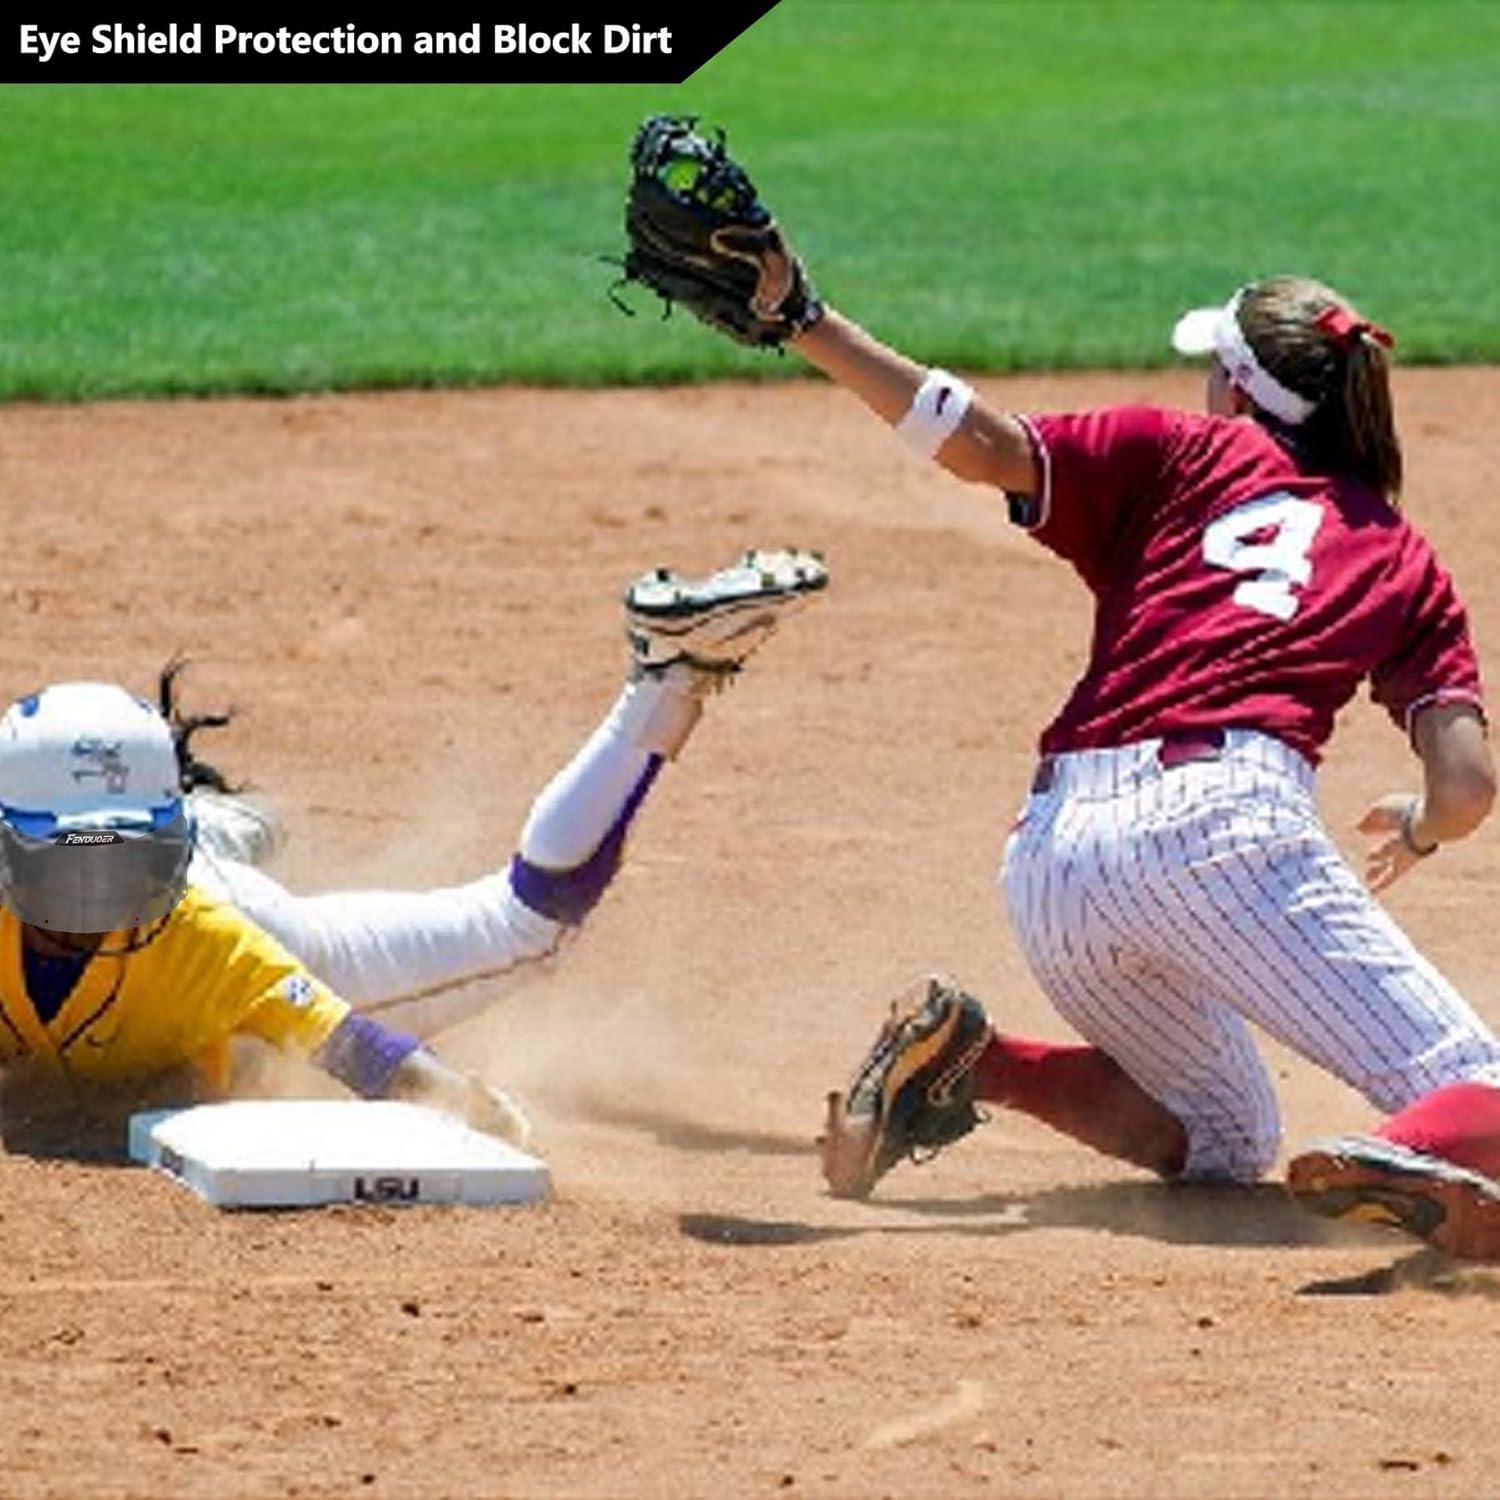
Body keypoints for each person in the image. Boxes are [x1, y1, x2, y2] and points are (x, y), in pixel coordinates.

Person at [739, 262, 1500, 1257]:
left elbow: (977, 443)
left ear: (1237, 388)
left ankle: (974, 1061)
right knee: (1471, 1079)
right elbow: (1467, 788)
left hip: (1053, 865)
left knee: (1227, 1140)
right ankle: (1392, 1153)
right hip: (1223, 835)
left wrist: (806, 319)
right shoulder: (1400, 557)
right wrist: (1416, 829)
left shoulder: (1182, 450)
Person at [0, 548, 827, 1152]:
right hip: (191, 860)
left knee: (521, 928)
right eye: (71, 872)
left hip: (243, 908)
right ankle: (223, 820)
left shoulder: (210, 943)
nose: (94, 908)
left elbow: (361, 1049)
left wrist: (470, 1106)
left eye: (118, 872)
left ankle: (666, 680)